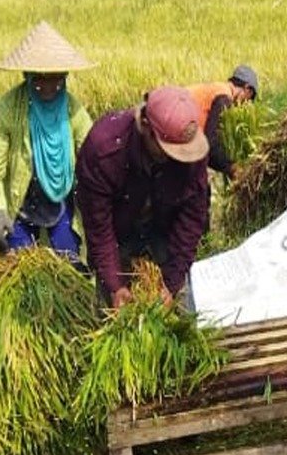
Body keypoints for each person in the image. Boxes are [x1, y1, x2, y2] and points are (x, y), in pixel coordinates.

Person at [0, 21, 94, 293]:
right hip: (20, 210)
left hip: (60, 207)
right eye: (39, 77)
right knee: (20, 280)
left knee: (69, 274)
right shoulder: (9, 109)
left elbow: (94, 154)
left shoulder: (72, 110)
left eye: (54, 77)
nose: (47, 85)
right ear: (27, 74)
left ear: (65, 74)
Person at [76, 86, 211, 309]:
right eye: (167, 149)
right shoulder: (103, 150)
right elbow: (99, 228)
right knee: (115, 310)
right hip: (119, 235)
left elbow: (191, 220)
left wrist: (171, 283)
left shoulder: (191, 151)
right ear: (146, 127)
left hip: (164, 231)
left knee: (179, 312)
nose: (174, 158)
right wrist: (114, 285)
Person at [184, 64, 258, 180]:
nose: (243, 105)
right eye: (248, 99)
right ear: (247, 89)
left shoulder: (217, 89)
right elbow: (210, 144)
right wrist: (232, 168)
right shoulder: (223, 98)